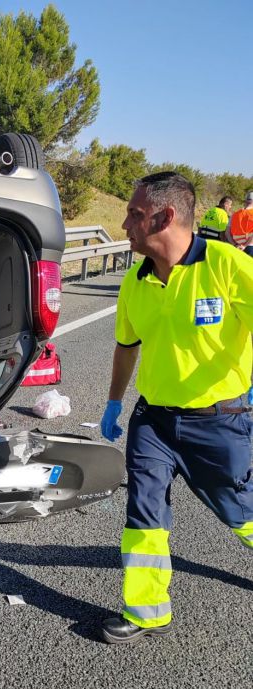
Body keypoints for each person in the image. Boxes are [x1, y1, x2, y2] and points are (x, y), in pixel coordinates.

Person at [99, 171, 253, 645]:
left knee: (239, 511)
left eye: (134, 214)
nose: (124, 223)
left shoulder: (227, 266)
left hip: (221, 422)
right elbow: (127, 345)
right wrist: (113, 403)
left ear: (164, 217)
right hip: (155, 421)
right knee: (143, 511)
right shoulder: (135, 281)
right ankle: (147, 610)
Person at [225, 191, 253, 257]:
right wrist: (244, 245)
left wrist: (234, 244)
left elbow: (227, 232)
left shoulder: (235, 214)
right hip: (250, 247)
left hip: (236, 247)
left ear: (245, 201)